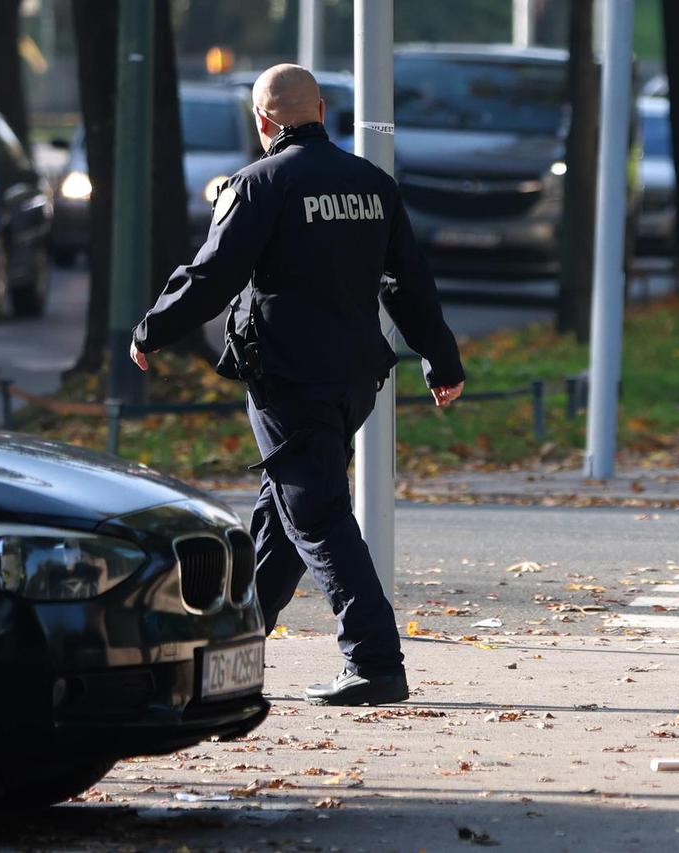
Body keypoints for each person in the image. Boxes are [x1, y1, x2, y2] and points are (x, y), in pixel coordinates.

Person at [130, 64, 465, 706]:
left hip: (289, 375)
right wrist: (440, 361)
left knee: (314, 513)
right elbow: (408, 282)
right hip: (354, 377)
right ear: (320, 109)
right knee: (282, 514)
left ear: (263, 120)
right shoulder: (372, 184)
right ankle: (234, 650)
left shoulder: (260, 184)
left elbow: (214, 274)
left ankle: (374, 662)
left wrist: (152, 328)